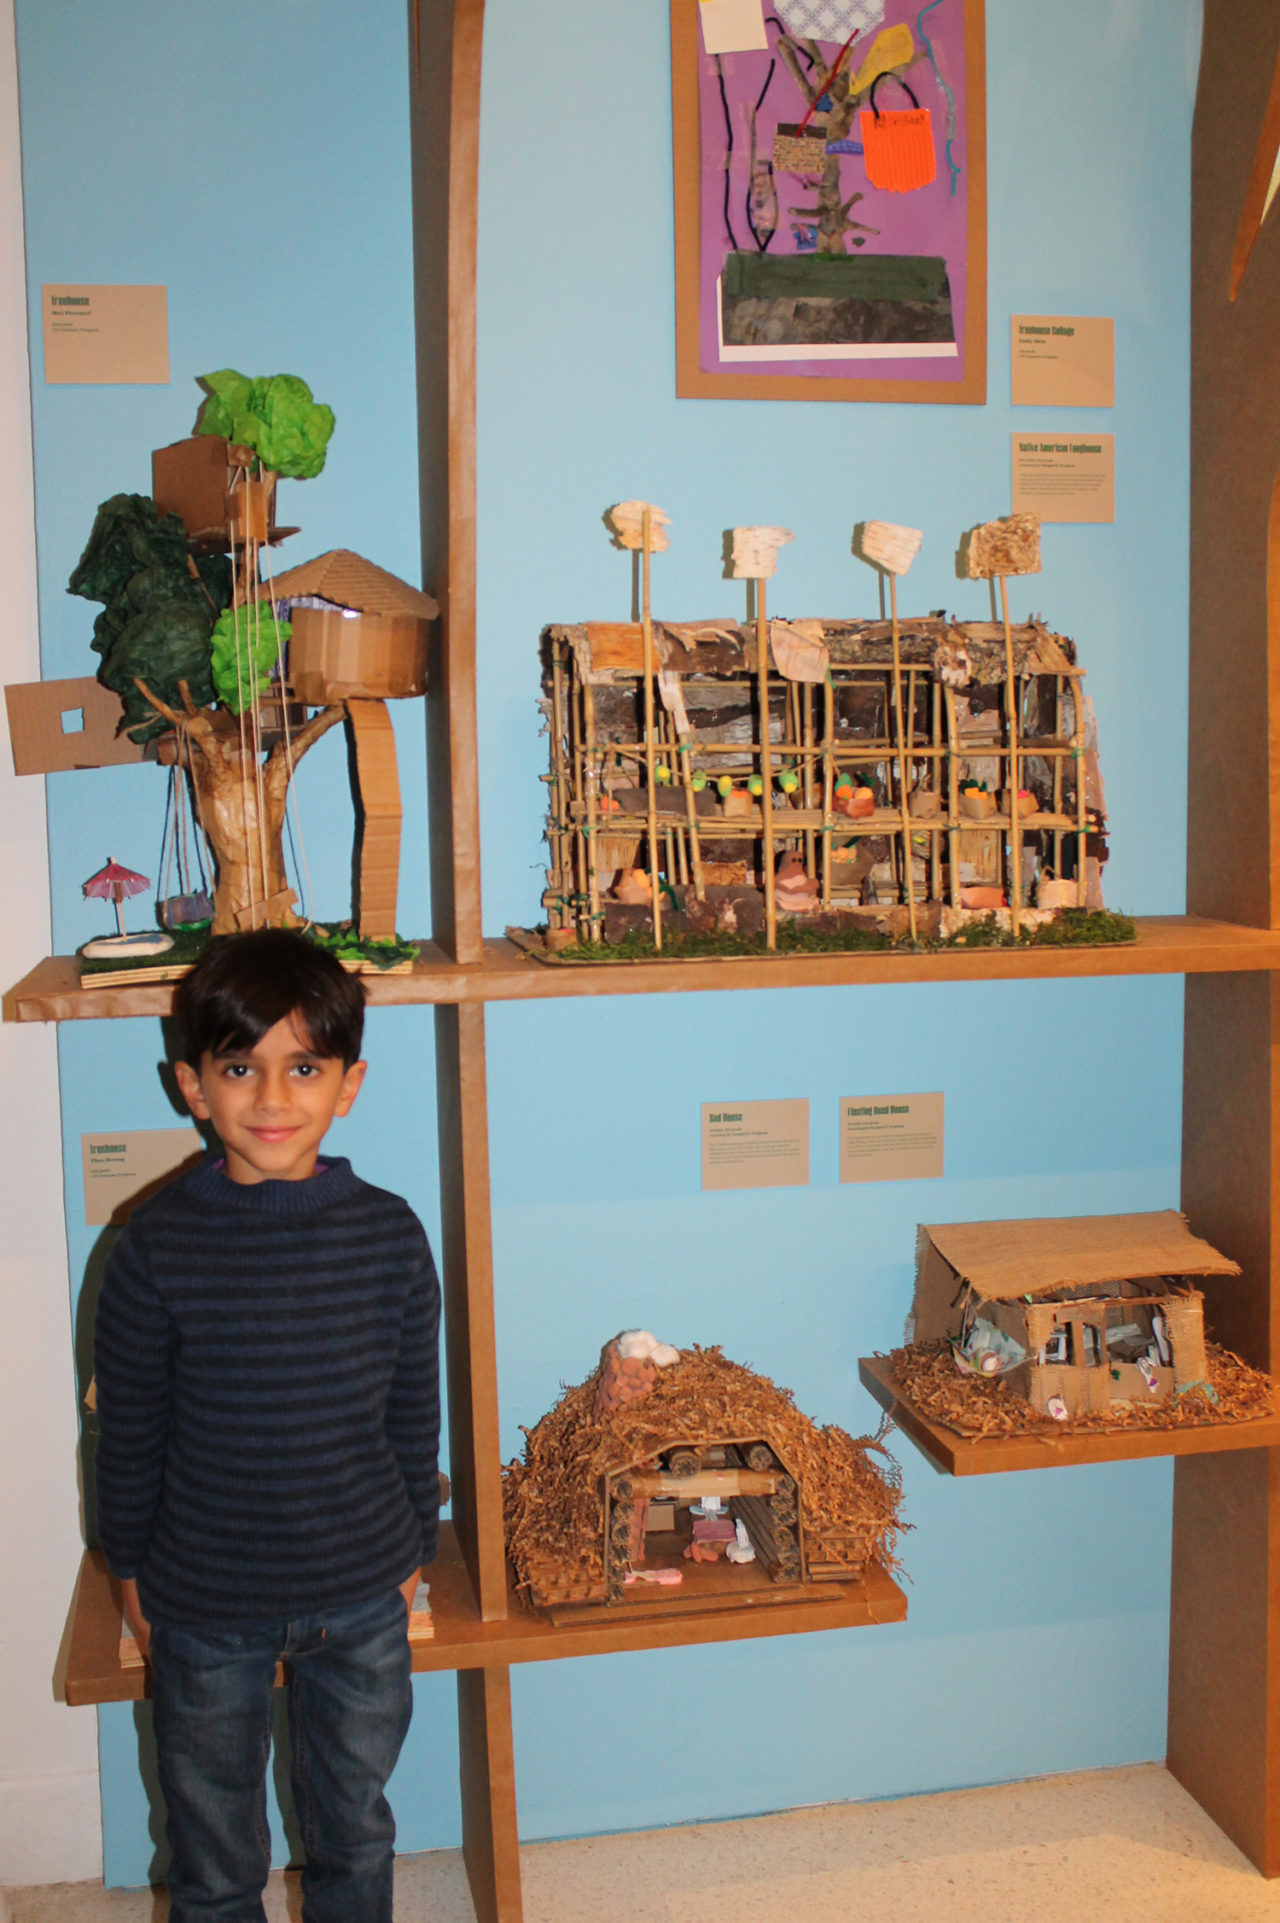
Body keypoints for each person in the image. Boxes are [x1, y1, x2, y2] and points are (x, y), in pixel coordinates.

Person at [93, 928, 441, 1923]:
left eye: (304, 1068)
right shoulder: (155, 1248)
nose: (274, 1101)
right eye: (241, 1068)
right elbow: (130, 1432)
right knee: (210, 1858)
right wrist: (128, 1568)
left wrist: (412, 1544)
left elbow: (413, 1408)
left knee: (355, 1835)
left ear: (350, 1083)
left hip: (363, 1596)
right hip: (202, 1601)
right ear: (193, 1086)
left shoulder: (388, 1234)